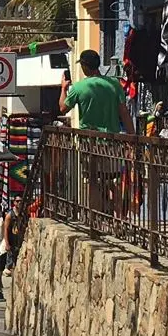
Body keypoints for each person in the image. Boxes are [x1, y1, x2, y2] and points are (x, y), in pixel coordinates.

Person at [58, 49, 135, 225]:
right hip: (112, 142)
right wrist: (132, 136)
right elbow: (124, 112)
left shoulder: (78, 88)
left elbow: (62, 108)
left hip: (90, 143)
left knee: (93, 180)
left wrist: (63, 88)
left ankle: (96, 218)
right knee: (114, 179)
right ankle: (121, 218)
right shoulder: (114, 85)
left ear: (85, 66)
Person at [3, 196, 23, 276]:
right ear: (14, 202)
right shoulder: (9, 215)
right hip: (12, 240)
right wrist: (7, 243)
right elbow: (6, 229)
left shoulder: (22, 213)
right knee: (10, 261)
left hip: (19, 239)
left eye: (20, 201)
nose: (19, 203)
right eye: (17, 201)